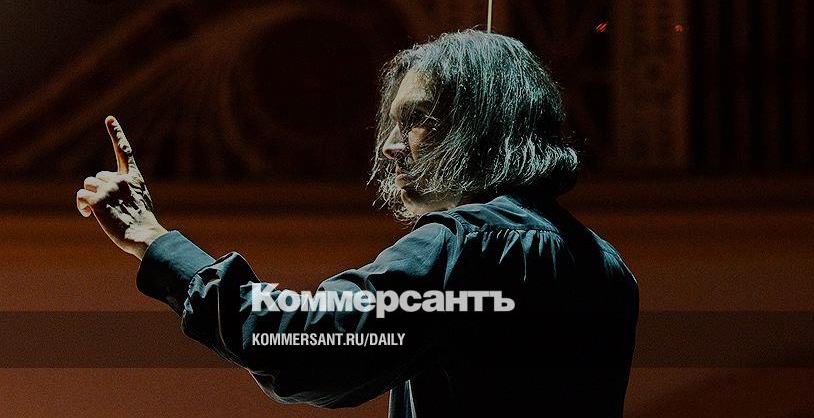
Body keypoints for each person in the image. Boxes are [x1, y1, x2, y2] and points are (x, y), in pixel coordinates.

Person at [76, 29, 639, 417]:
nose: (391, 147)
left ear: (481, 125)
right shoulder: (610, 269)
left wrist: (154, 240)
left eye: (416, 119)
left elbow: (302, 344)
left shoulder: (462, 248)